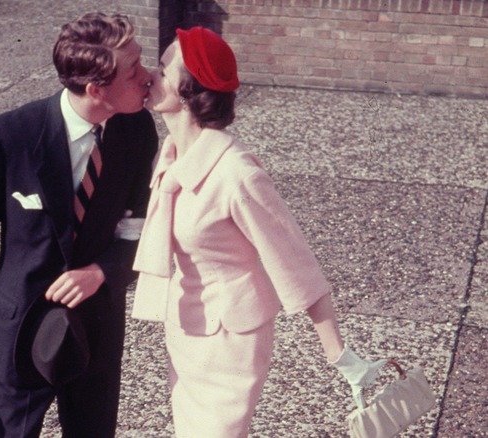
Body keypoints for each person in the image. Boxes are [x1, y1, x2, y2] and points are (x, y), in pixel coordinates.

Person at [131, 26, 386, 437]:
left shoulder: (237, 174)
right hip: (184, 329)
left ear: (189, 90)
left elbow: (296, 263)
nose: (150, 76)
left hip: (232, 339)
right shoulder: (171, 154)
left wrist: (340, 355)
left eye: (162, 69)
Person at [0, 12, 158, 438]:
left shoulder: (138, 130)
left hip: (98, 322)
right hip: (21, 324)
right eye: (135, 70)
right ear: (96, 89)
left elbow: (138, 220)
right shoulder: (10, 135)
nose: (149, 76)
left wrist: (104, 270)